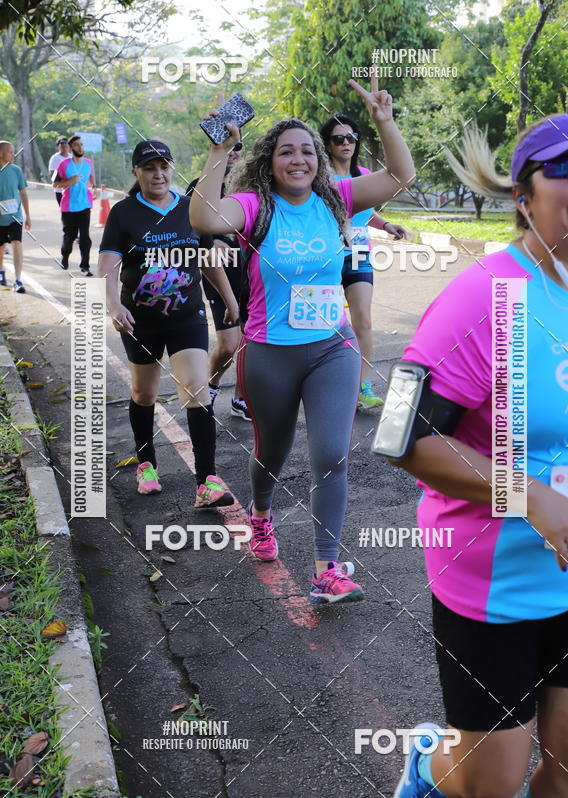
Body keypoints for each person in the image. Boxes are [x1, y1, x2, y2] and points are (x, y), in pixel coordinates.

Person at [391, 114, 568, 798]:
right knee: (492, 780)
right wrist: (528, 494)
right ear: (522, 196)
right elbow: (401, 436)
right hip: (492, 579)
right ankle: (426, 765)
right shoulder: (483, 295)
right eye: (566, 166)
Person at [190, 76, 415, 603]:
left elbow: (400, 176)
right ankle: (261, 513)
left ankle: (325, 569)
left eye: (308, 151)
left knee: (332, 454)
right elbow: (203, 216)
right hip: (270, 354)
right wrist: (220, 151)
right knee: (272, 451)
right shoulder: (254, 205)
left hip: (333, 349)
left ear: (319, 160)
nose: (299, 159)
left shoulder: (337, 198)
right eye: (287, 151)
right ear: (270, 161)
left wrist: (384, 122)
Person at [98, 139, 240, 507]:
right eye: (149, 167)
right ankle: (146, 464)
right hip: (140, 321)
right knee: (144, 393)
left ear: (171, 168)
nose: (158, 174)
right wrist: (114, 305)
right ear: (136, 172)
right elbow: (108, 266)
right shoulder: (123, 213)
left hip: (186, 316)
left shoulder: (189, 207)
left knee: (196, 387)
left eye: (164, 166)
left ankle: (206, 480)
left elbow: (207, 259)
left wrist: (230, 300)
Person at [320, 113, 406, 410]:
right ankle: (328, 380)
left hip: (358, 255)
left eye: (351, 138)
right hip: (326, 256)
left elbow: (365, 210)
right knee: (329, 321)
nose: (346, 143)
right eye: (338, 139)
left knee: (363, 320)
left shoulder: (364, 174)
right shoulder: (321, 179)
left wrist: (386, 225)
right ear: (328, 145)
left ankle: (363, 386)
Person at [185, 140, 250, 421]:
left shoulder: (250, 186)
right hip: (220, 276)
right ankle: (211, 384)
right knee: (229, 345)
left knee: (251, 342)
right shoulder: (202, 186)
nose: (233, 152)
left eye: (238, 146)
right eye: (228, 146)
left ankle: (241, 398)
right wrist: (214, 242)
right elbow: (189, 228)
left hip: (252, 275)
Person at [52, 135, 96, 275]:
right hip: (69, 206)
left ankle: (85, 266)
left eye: (81, 144)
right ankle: (65, 256)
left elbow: (91, 177)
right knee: (69, 236)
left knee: (85, 237)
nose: (80, 147)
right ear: (71, 148)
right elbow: (55, 184)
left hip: (85, 205)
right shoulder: (63, 164)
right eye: (76, 145)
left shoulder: (88, 163)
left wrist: (94, 188)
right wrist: (69, 182)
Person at [0, 140, 30, 294]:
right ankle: (1, 271)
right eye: (10, 152)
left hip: (15, 217)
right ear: (1, 154)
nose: (13, 155)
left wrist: (28, 216)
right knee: (1, 247)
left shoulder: (16, 171)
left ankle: (18, 280)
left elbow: (23, 194)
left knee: (17, 243)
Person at [48, 136, 70, 209]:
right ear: (58, 147)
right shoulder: (55, 158)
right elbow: (52, 174)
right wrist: (61, 182)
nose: (64, 147)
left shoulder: (71, 157)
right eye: (62, 145)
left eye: (66, 144)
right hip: (60, 190)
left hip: (71, 189)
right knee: (65, 210)